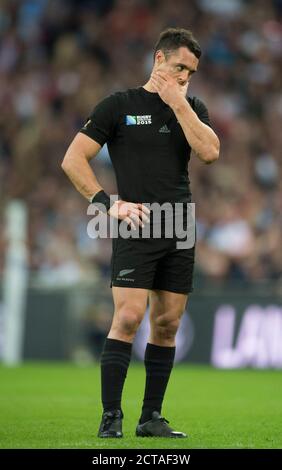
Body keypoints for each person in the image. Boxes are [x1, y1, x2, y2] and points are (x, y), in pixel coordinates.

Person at [62, 27, 220, 438]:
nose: (186, 75)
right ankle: (111, 415)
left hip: (179, 225)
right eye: (181, 66)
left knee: (166, 324)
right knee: (129, 317)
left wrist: (179, 104)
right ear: (159, 59)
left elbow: (209, 152)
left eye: (192, 71)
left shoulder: (192, 106)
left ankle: (151, 417)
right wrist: (108, 203)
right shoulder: (119, 105)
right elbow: (73, 159)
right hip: (137, 223)